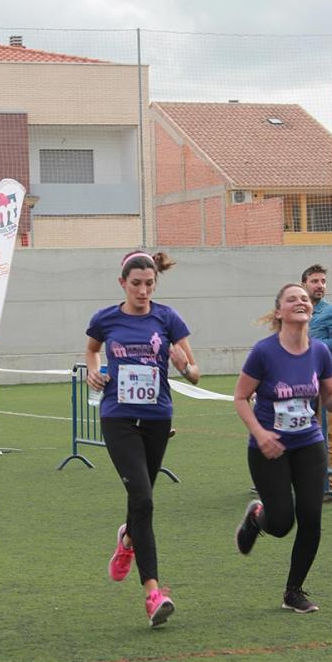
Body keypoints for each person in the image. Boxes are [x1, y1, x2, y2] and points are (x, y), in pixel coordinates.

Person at [85, 250, 199, 627]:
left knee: (142, 498)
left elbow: (195, 372)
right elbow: (91, 349)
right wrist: (93, 372)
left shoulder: (167, 318)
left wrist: (184, 366)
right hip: (117, 415)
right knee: (144, 499)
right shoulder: (106, 319)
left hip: (156, 416)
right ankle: (154, 593)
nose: (143, 291)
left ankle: (127, 540)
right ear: (123, 283)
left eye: (149, 284)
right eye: (136, 284)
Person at [233, 283, 332, 613]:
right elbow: (241, 397)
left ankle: (293, 591)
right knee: (283, 522)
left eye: (304, 298)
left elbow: (330, 404)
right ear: (279, 312)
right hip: (268, 447)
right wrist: (260, 434)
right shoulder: (264, 352)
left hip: (308, 444)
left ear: (310, 310)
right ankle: (258, 518)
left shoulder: (319, 353)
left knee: (311, 517)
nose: (301, 301)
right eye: (292, 298)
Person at [301, 264, 332, 497]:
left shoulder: (331, 312)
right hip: (298, 382)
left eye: (323, 282)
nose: (320, 286)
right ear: (304, 284)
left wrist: (310, 346)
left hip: (324, 383)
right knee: (298, 431)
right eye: (315, 281)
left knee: (325, 433)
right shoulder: (298, 310)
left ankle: (330, 484)